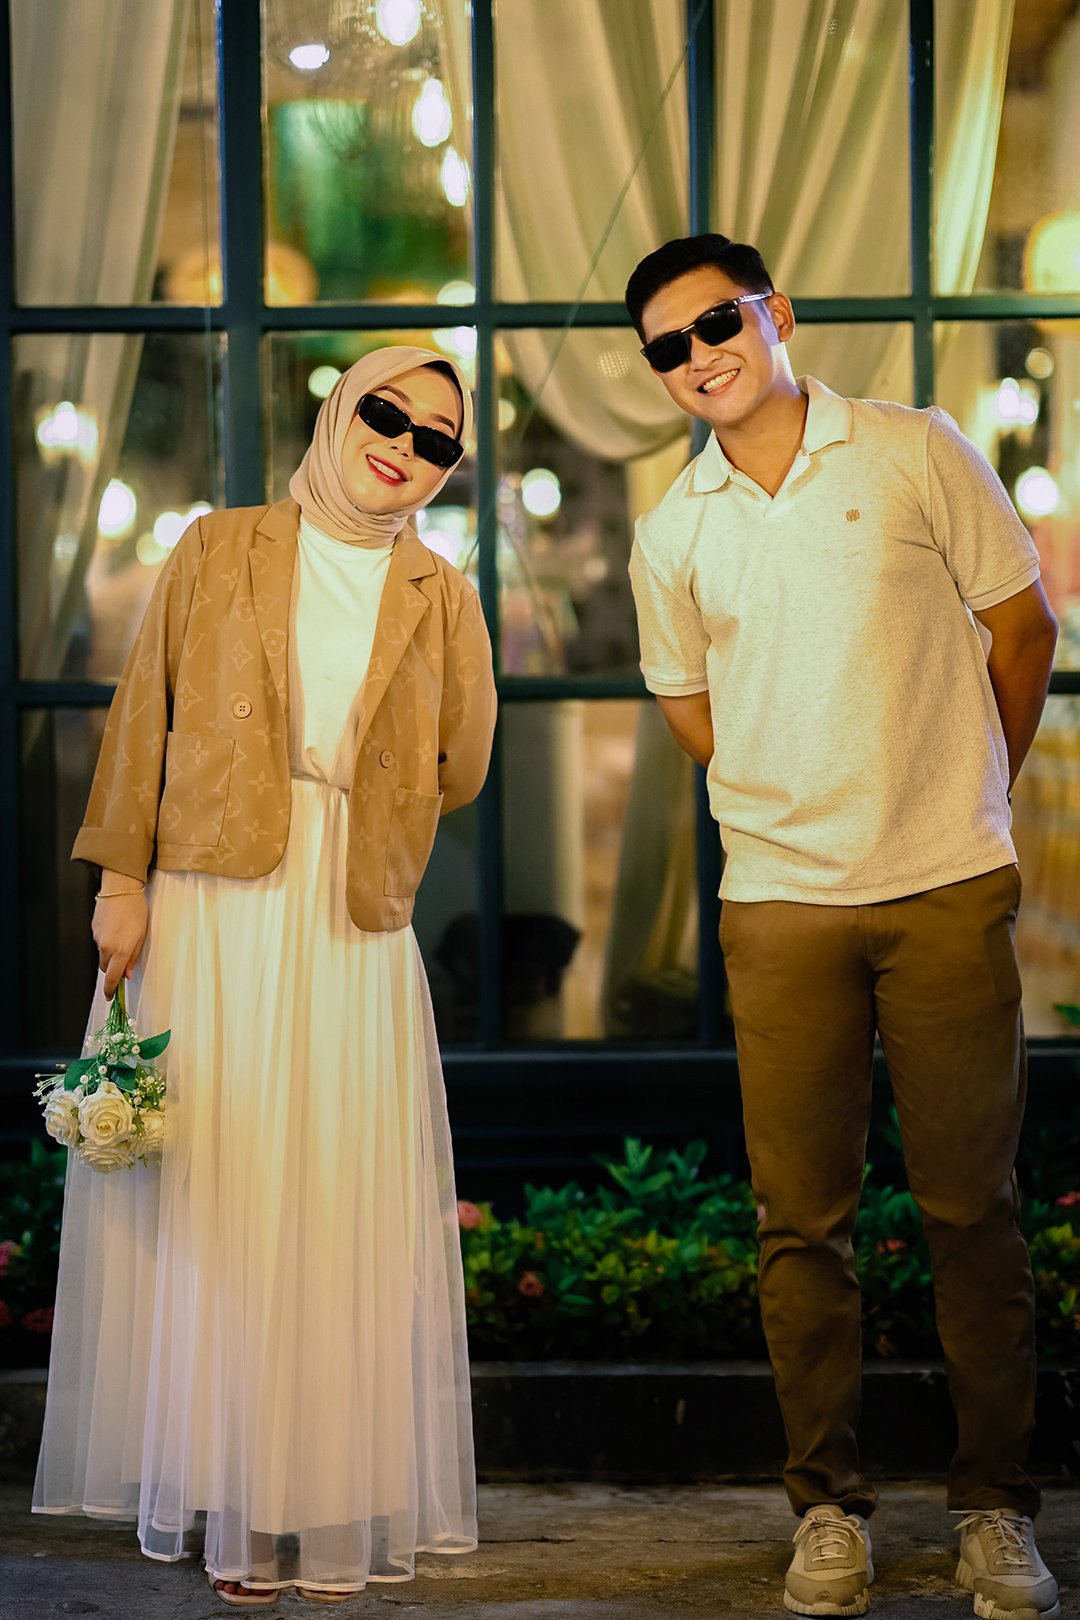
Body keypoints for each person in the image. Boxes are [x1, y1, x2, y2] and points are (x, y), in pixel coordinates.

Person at [625, 235, 1060, 1620]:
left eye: (718, 323)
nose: (700, 356)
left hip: (945, 886)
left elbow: (1024, 632)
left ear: (778, 313)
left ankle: (995, 1509)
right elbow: (692, 709)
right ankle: (828, 1510)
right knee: (801, 1226)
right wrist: (793, 791)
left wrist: (967, 789)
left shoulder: (915, 449)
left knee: (971, 1211)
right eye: (670, 348)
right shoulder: (673, 531)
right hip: (779, 908)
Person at [32, 346, 496, 1606]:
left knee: (334, 1193)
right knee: (225, 1193)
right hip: (214, 898)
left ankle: (317, 1497)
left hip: (351, 909)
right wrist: (119, 881)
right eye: (388, 413)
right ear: (340, 411)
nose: (404, 445)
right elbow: (142, 718)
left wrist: (374, 782)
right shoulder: (217, 546)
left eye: (437, 440)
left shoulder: (442, 593)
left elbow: (461, 764)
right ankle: (234, 1494)